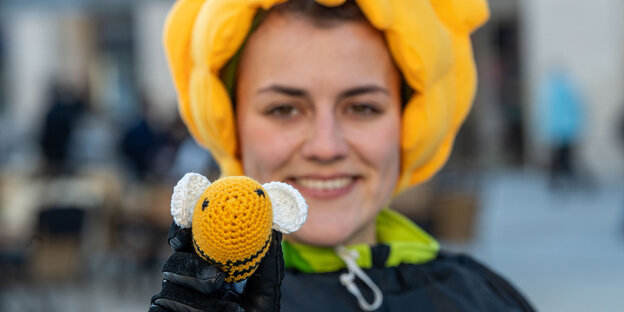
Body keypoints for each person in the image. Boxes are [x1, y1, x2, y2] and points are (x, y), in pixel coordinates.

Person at [150, 0, 535, 311]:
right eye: (284, 109)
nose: (326, 147)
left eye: (362, 108)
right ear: (231, 126)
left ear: (410, 123)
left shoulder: (487, 299)